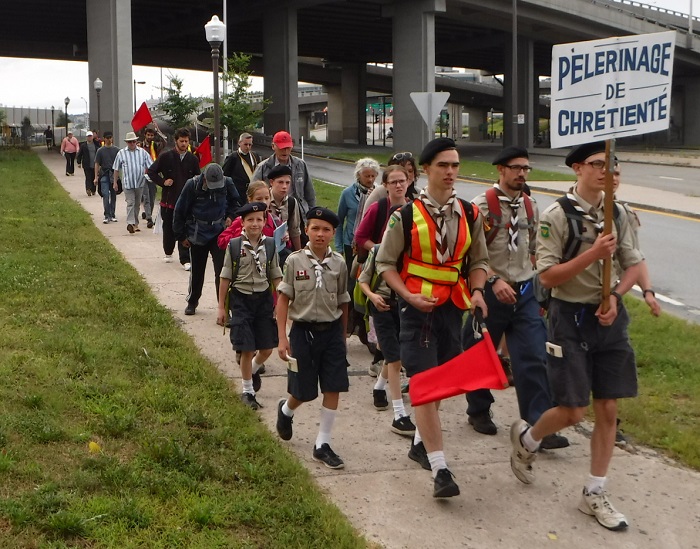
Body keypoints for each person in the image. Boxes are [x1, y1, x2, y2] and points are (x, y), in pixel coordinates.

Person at [509, 141, 643, 531]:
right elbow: (547, 276)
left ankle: (594, 492)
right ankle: (529, 440)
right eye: (597, 163)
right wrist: (593, 253)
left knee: (609, 409)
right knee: (572, 411)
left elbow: (633, 265)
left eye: (611, 163)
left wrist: (616, 297)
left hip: (608, 318)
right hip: (569, 319)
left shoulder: (618, 212)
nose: (605, 170)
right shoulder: (557, 216)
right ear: (577, 169)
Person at [376, 137, 488, 498]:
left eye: (455, 165)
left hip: (452, 310)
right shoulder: (405, 216)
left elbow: (479, 262)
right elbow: (385, 263)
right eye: (444, 165)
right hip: (415, 311)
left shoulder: (470, 214)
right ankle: (441, 469)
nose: (451, 172)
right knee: (425, 385)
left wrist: (478, 291)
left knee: (440, 386)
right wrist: (406, 295)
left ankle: (421, 443)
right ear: (426, 170)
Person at [461, 146, 569, 450]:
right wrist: (492, 281)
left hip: (524, 292)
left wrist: (541, 288)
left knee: (534, 355)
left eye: (526, 168)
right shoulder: (480, 206)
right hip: (492, 291)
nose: (522, 173)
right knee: (481, 353)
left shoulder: (532, 207)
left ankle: (538, 425)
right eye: (516, 168)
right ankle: (479, 409)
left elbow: (537, 249)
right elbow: (471, 254)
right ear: (501, 170)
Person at [275, 207, 351, 470]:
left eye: (326, 230)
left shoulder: (339, 263)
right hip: (302, 332)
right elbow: (283, 300)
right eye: (315, 228)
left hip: (330, 333)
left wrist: (342, 338)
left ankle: (323, 444)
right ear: (306, 229)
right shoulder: (294, 261)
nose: (320, 234)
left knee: (333, 386)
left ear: (333, 233)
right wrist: (282, 338)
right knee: (304, 392)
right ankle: (286, 410)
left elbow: (343, 302)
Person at [356, 165, 414, 436]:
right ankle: (399, 413)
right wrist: (372, 297)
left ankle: (380, 388)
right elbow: (363, 280)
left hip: (404, 304)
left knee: (396, 357)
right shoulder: (378, 252)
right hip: (381, 305)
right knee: (393, 356)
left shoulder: (412, 255)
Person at [217, 202, 282, 410]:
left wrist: (280, 301)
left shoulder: (270, 245)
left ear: (265, 221)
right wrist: (221, 307)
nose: (255, 224)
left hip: (263, 299)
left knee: (266, 348)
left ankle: (252, 371)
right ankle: (247, 391)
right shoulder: (235, 246)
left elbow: (276, 275)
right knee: (246, 348)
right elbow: (225, 277)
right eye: (250, 220)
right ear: (242, 223)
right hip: (241, 299)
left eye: (259, 219)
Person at [173, 163, 241, 316]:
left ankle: (223, 306)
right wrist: (181, 236)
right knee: (197, 270)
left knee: (222, 272)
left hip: (219, 232)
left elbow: (236, 203)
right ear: (204, 178)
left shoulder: (227, 183)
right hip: (198, 233)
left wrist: (230, 216)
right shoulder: (192, 185)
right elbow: (179, 211)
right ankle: (192, 301)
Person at [336, 158, 380, 349]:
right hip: (351, 244)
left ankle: (365, 326)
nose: (370, 180)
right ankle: (349, 324)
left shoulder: (379, 193)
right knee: (351, 285)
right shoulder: (347, 194)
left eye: (373, 176)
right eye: (366, 176)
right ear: (358, 176)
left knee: (370, 283)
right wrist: (338, 246)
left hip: (371, 245)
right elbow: (339, 220)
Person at [147, 128, 201, 268]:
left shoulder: (193, 159)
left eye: (186, 141)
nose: (184, 144)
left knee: (185, 228)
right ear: (176, 141)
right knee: (169, 228)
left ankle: (185, 259)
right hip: (169, 200)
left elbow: (198, 176)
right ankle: (168, 252)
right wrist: (163, 182)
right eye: (181, 141)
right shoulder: (166, 157)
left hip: (187, 201)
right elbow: (151, 172)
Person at [251, 130, 315, 217]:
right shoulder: (263, 167)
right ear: (273, 146)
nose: (285, 151)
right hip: (272, 214)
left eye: (288, 148)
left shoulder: (300, 165)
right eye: (282, 148)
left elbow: (309, 192)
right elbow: (252, 192)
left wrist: (311, 214)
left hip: (298, 214)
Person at [113, 131, 153, 234]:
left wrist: (152, 177)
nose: (132, 143)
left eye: (134, 141)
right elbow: (116, 169)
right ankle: (130, 223)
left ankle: (135, 223)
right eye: (130, 142)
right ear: (127, 142)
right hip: (127, 183)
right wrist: (115, 182)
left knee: (137, 204)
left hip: (140, 183)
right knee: (130, 203)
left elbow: (151, 166)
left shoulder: (143, 153)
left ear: (136, 141)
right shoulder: (121, 153)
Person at [267, 164, 303, 262]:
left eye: (287, 183)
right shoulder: (264, 200)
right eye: (280, 182)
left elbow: (295, 230)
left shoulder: (291, 202)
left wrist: (299, 254)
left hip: (284, 248)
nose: (284, 186)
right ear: (271, 182)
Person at [222, 132, 261, 202]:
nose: (248, 147)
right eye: (245, 144)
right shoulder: (232, 157)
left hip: (253, 191)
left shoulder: (255, 156)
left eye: (250, 145)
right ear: (239, 143)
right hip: (238, 193)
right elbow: (225, 176)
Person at [139, 126, 164, 229]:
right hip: (143, 174)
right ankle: (149, 218)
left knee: (152, 195)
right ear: (145, 135)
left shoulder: (155, 146)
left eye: (152, 135)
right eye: (148, 135)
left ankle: (148, 212)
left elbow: (164, 143)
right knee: (146, 196)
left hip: (153, 174)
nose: (150, 137)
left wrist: (158, 131)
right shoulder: (140, 146)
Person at [93, 131, 119, 224]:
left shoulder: (116, 150)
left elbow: (120, 163)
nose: (109, 139)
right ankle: (106, 215)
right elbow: (97, 163)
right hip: (104, 174)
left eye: (110, 137)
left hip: (113, 175)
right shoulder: (100, 150)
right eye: (107, 138)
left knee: (113, 195)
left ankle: (112, 214)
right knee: (105, 195)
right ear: (104, 138)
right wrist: (96, 177)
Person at [76, 131, 100, 196]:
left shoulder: (96, 144)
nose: (89, 138)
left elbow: (100, 152)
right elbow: (80, 154)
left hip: (95, 164)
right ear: (86, 137)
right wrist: (79, 162)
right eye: (88, 136)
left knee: (93, 177)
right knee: (88, 177)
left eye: (90, 136)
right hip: (86, 164)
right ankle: (88, 189)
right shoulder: (83, 146)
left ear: (92, 137)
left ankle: (93, 190)